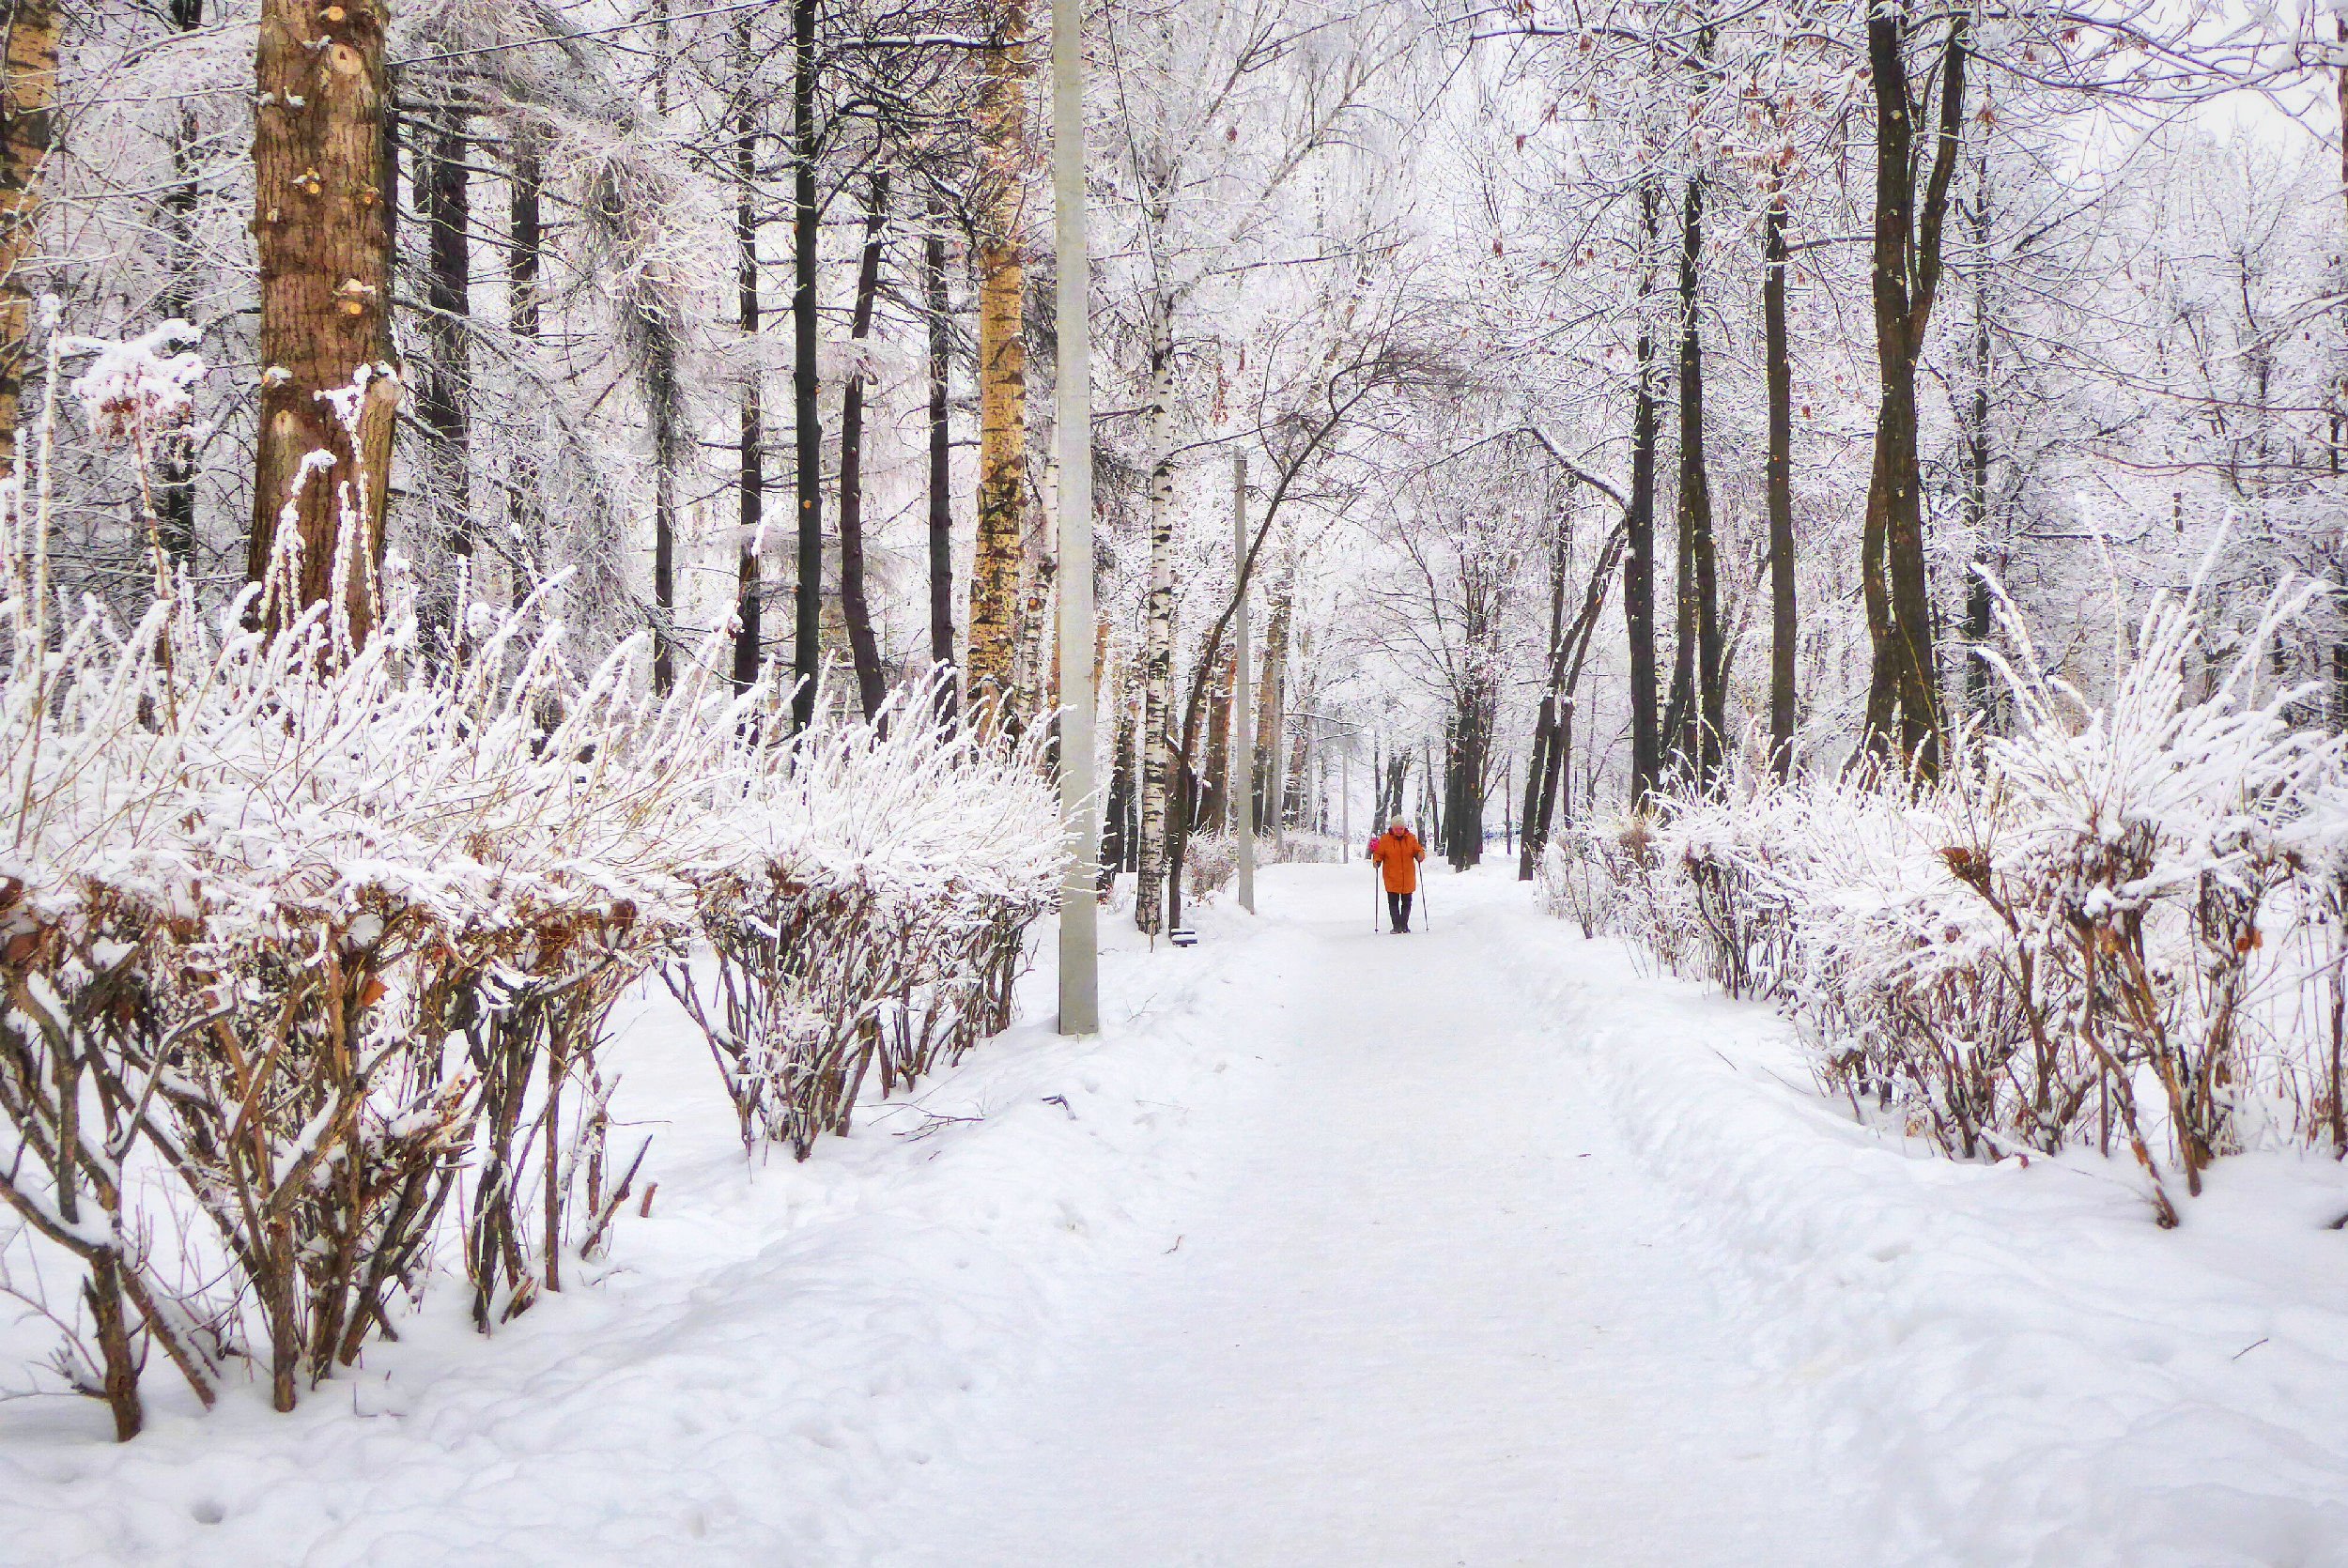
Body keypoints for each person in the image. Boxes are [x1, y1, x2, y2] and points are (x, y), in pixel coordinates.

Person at [1367, 816, 1427, 933]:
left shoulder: (1410, 838)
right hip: (1392, 877)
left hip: (1407, 877)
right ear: (1392, 828)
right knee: (1393, 903)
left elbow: (1418, 850)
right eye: (1396, 829)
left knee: (1407, 903)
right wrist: (1376, 861)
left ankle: (1404, 925)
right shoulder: (1385, 840)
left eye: (1401, 828)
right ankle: (1396, 926)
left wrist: (1420, 855)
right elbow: (1379, 853)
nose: (1399, 831)